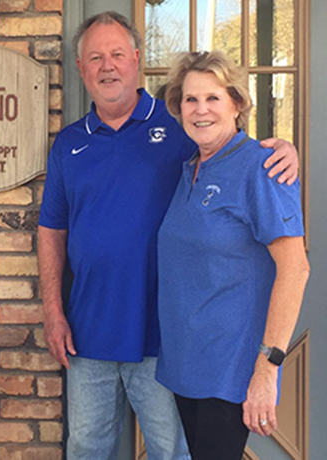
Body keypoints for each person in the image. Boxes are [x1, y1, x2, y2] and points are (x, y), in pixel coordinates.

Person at [38, 11, 300, 460]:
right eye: (95, 57)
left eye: (117, 54)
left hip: (166, 339)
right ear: (80, 69)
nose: (108, 66)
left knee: (173, 451)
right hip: (89, 331)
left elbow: (230, 148)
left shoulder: (179, 129)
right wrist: (52, 311)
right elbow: (51, 230)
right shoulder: (70, 144)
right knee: (85, 448)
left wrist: (281, 150)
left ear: (137, 60)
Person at [155, 50, 310, 460]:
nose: (201, 110)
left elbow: (295, 269)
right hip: (187, 366)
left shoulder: (263, 168)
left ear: (237, 104)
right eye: (191, 100)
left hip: (231, 372)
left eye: (213, 98)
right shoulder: (191, 167)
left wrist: (268, 368)